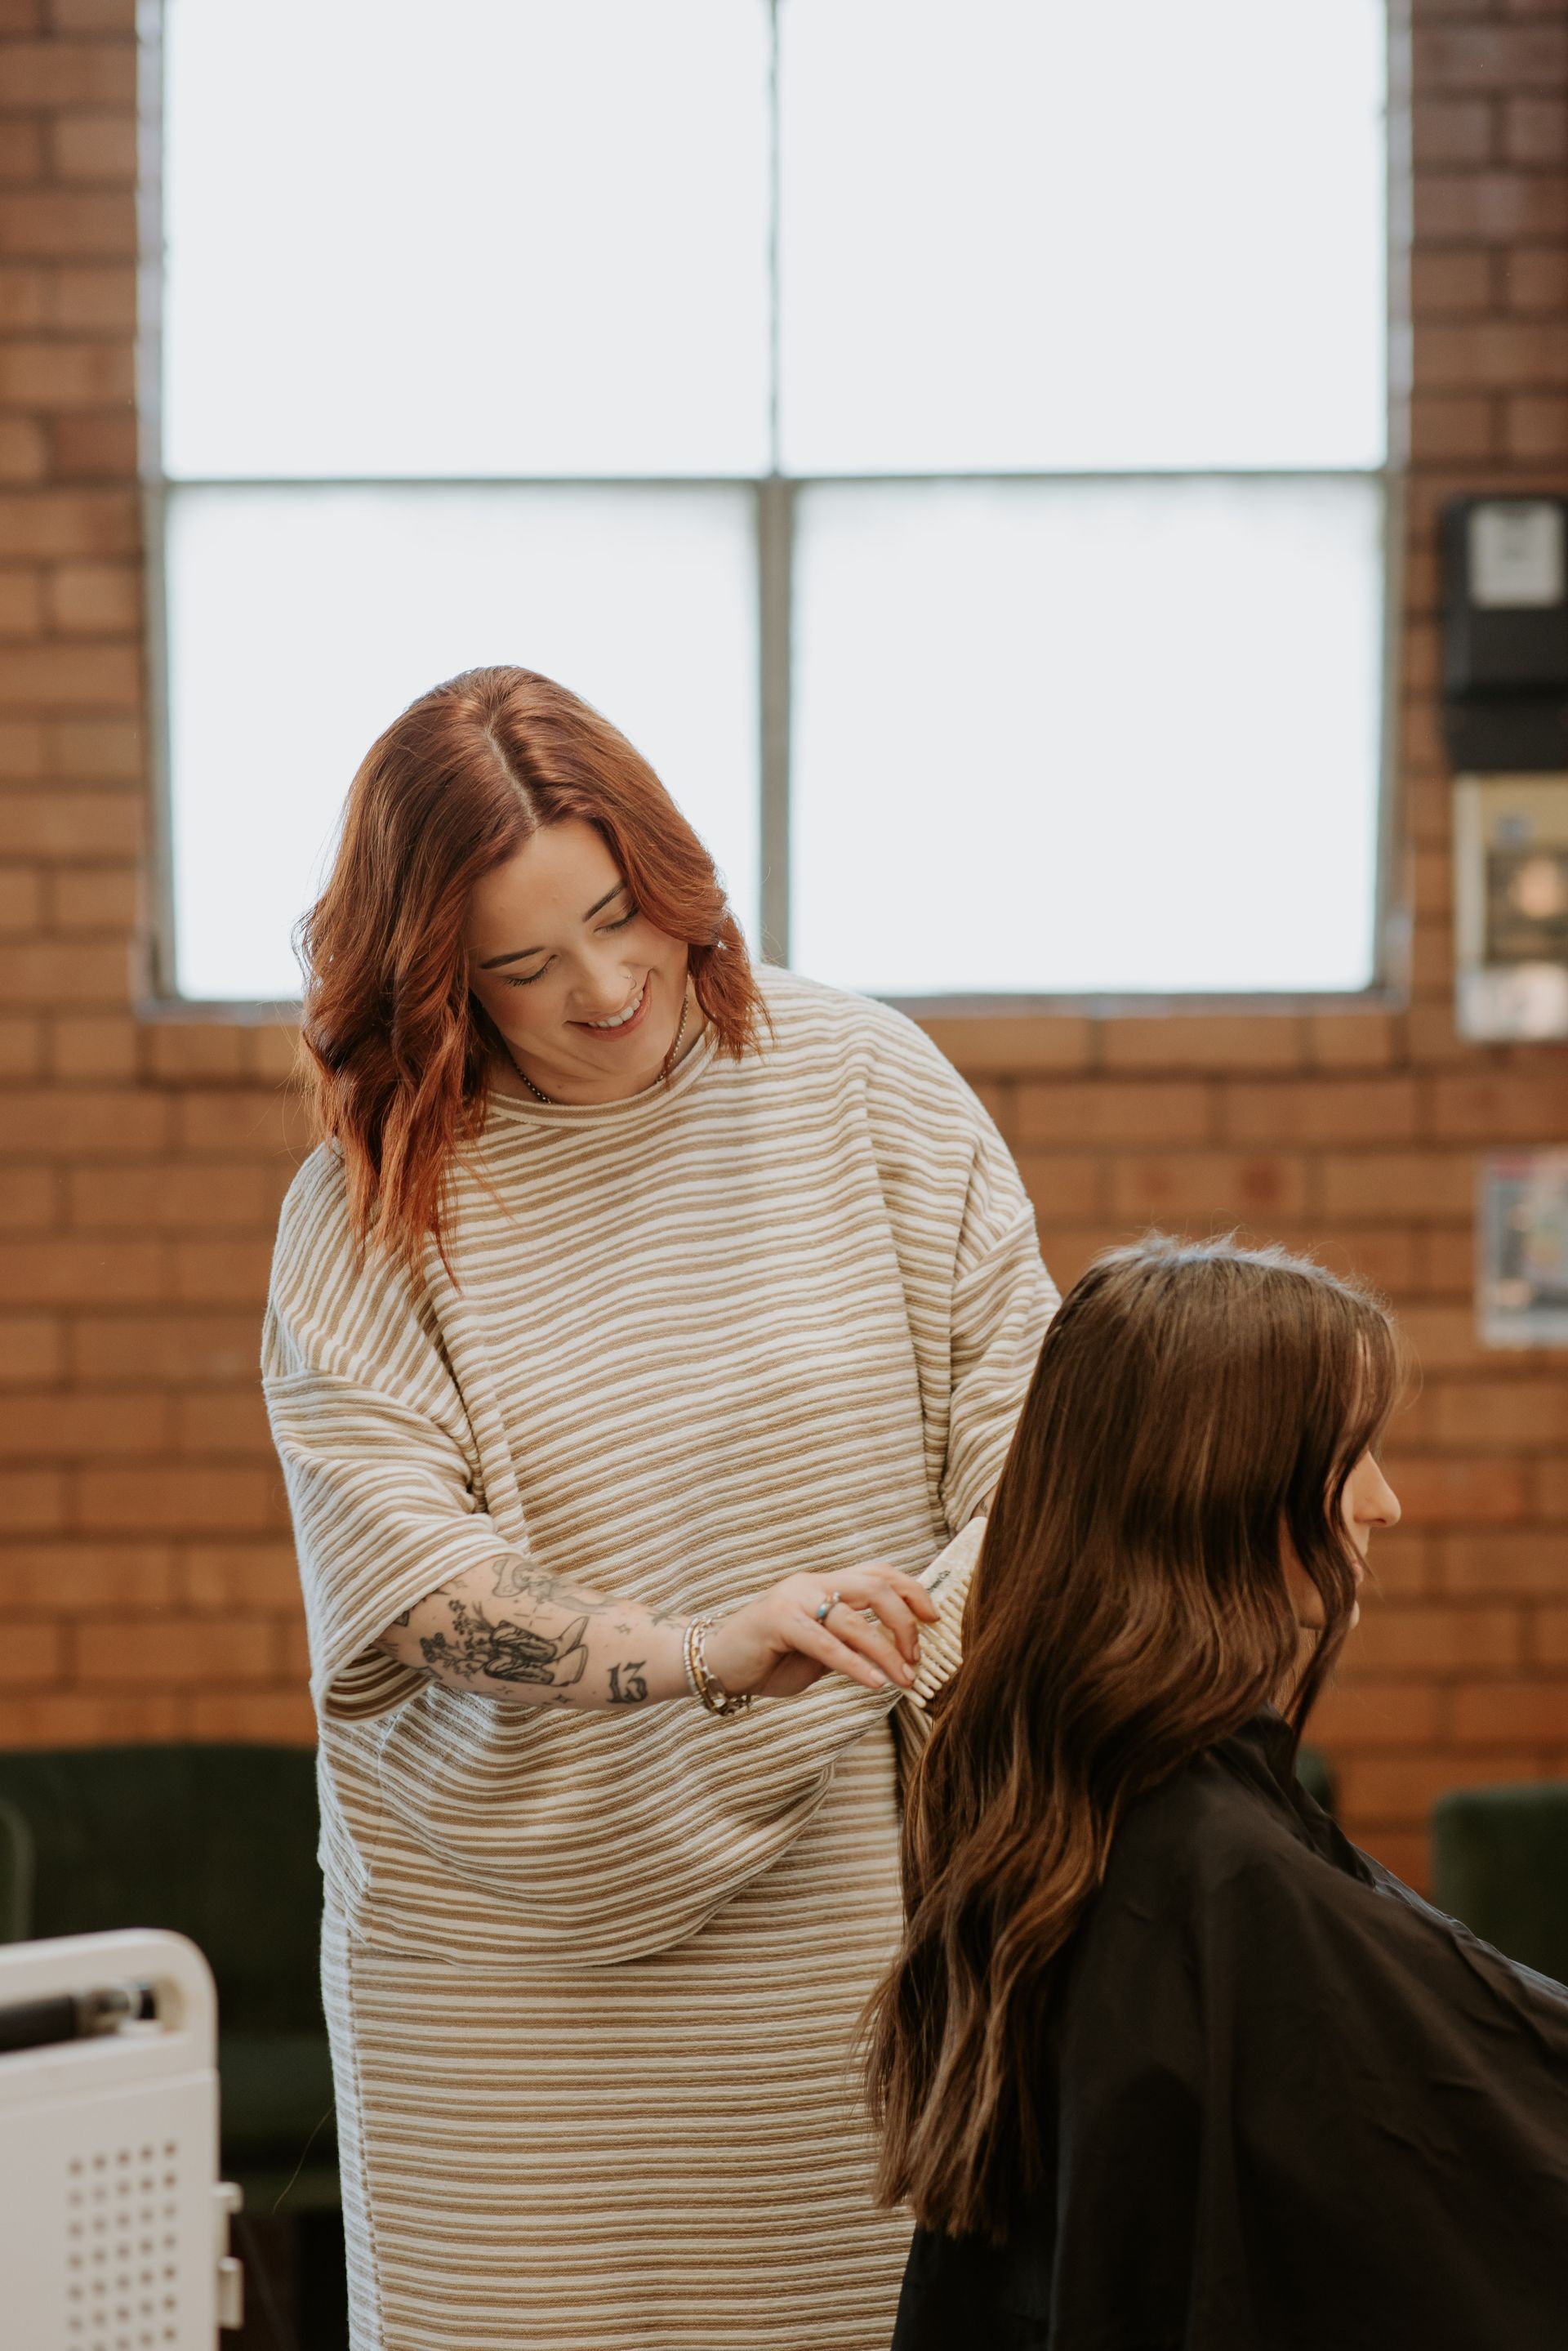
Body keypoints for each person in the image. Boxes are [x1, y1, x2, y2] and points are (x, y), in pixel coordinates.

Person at [261, 664, 1055, 2350]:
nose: (611, 987)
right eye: (524, 967)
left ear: (672, 871)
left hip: (841, 1926)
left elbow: (1036, 1447)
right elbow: (412, 1589)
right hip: (501, 1985)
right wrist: (702, 1653)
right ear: (434, 985)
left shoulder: (868, 1088)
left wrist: (901, 1631)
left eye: (624, 918)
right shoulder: (368, 1212)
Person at [869, 1235, 1568, 2351]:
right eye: (1351, 1457)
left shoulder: (1062, 1811)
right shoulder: (1205, 1865)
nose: (1383, 1504)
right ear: (1221, 1487)